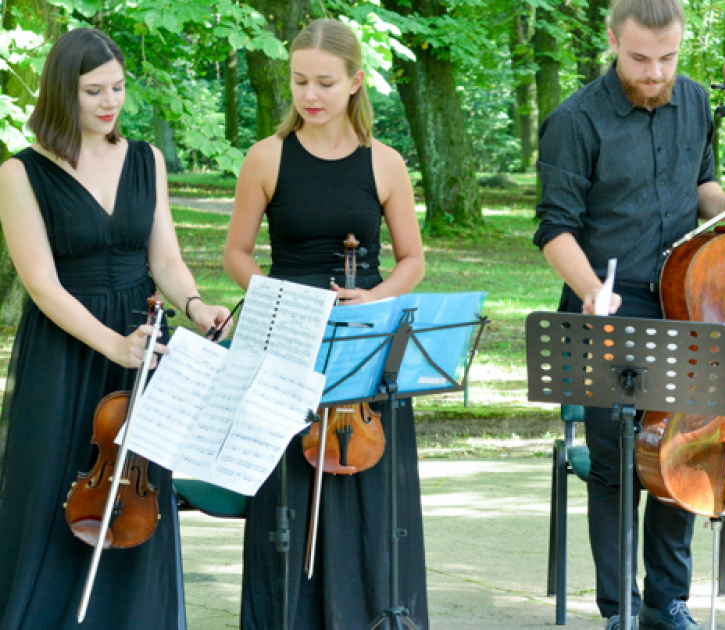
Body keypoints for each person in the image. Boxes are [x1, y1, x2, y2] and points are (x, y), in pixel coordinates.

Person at [0, 27, 232, 629]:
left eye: (117, 87)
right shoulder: (21, 173)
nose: (110, 102)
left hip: (141, 343)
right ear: (64, 93)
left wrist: (194, 306)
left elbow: (163, 258)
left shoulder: (146, 158)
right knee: (48, 497)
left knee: (134, 499)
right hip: (64, 351)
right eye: (94, 91)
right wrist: (114, 343)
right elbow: (41, 284)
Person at [533, 0, 725, 627]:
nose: (656, 72)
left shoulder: (694, 102)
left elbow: (702, 190)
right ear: (612, 41)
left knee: (683, 455)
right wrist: (590, 290)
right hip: (606, 300)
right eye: (640, 58)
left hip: (686, 299)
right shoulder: (574, 121)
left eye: (668, 57)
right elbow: (555, 230)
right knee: (614, 465)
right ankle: (620, 608)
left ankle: (668, 600)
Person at [222, 18, 427, 629]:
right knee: (289, 490)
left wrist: (375, 296)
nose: (310, 95)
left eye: (325, 83)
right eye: (299, 81)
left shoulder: (384, 163)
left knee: (367, 493)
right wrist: (278, 299)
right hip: (287, 338)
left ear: (356, 83)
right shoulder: (266, 157)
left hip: (360, 339)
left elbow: (412, 261)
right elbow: (236, 254)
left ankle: (369, 614)